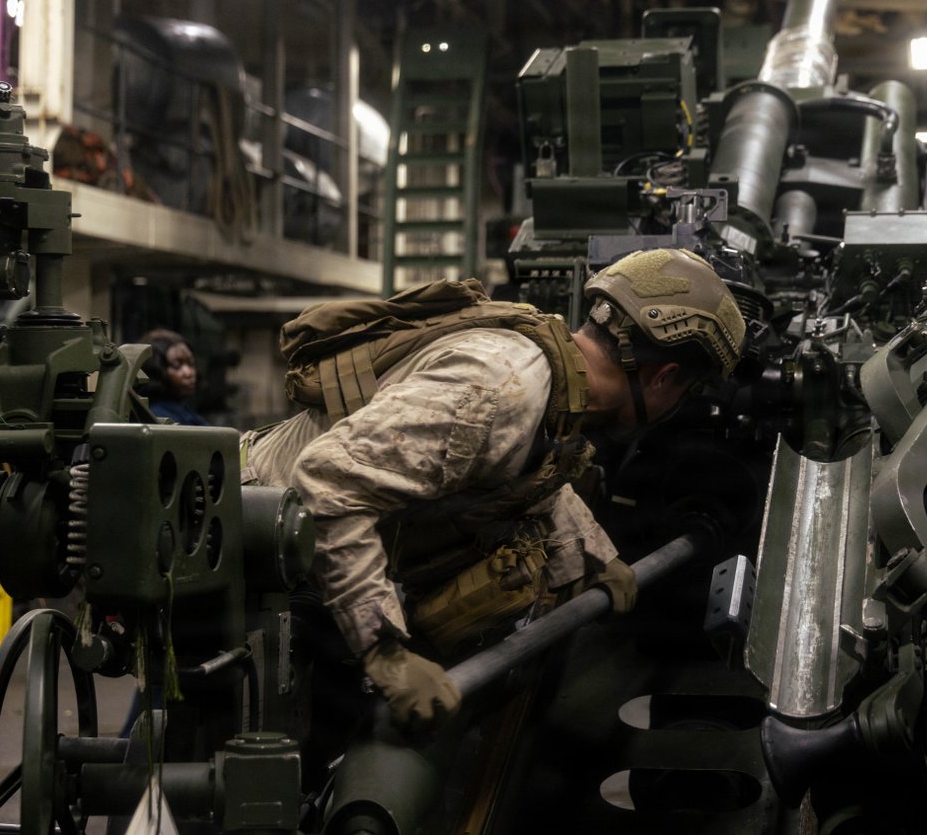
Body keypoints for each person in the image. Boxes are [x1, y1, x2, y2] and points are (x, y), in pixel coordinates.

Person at [241, 248, 744, 776]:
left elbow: (533, 477)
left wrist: (595, 560)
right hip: (248, 542)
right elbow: (327, 481)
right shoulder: (501, 388)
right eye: (686, 391)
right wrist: (385, 652)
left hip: (299, 550)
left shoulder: (554, 381)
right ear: (664, 378)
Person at [138, 328, 207, 425]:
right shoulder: (157, 415)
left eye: (191, 363)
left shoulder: (184, 411)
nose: (188, 372)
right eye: (177, 366)